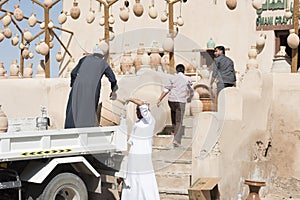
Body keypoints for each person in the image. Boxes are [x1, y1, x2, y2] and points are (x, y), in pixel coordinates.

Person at [64, 47, 118, 128]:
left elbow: (73, 73)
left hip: (78, 86)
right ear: (102, 56)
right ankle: (86, 128)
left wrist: (73, 85)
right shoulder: (103, 63)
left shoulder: (84, 59)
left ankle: (70, 128)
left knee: (73, 107)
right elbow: (112, 79)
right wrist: (113, 90)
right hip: (93, 87)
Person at [121, 98, 160, 200]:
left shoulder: (150, 121)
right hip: (134, 155)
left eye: (137, 110)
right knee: (132, 178)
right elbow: (131, 140)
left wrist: (130, 98)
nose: (136, 113)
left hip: (143, 154)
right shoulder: (137, 123)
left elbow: (142, 104)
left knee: (144, 178)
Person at [156, 64, 194, 147]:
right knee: (179, 121)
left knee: (174, 116)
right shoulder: (187, 79)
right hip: (180, 101)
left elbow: (166, 90)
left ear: (176, 70)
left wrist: (160, 99)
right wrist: (190, 97)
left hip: (171, 100)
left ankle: (174, 130)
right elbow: (191, 90)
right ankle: (176, 140)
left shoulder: (172, 78)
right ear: (184, 70)